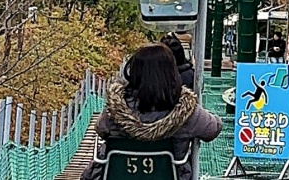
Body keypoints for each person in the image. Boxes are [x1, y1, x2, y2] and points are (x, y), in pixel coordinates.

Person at [82, 44, 221, 180]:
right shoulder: (187, 112)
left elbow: (101, 129)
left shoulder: (115, 110)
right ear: (172, 72)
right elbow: (213, 129)